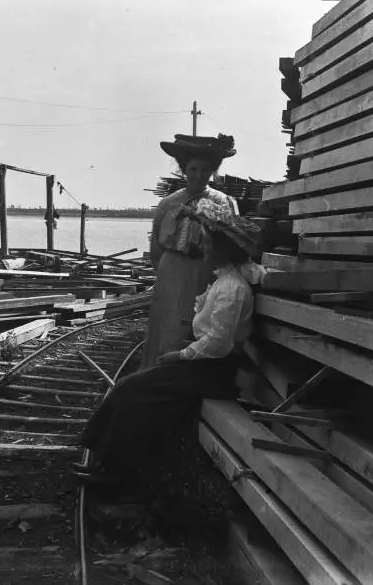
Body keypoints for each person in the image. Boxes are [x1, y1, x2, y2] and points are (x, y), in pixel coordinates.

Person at [72, 203, 264, 489]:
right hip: (208, 367)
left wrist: (180, 355)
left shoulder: (232, 288)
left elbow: (218, 343)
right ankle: (104, 460)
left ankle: (116, 474)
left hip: (216, 372)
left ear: (226, 250)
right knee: (130, 387)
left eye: (210, 244)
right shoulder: (225, 281)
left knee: (133, 391)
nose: (205, 249)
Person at [142, 134, 239, 368]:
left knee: (200, 325)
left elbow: (236, 242)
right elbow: (156, 247)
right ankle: (158, 373)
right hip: (171, 273)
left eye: (205, 169)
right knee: (169, 324)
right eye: (193, 169)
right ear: (184, 170)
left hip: (206, 273)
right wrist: (166, 274)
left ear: (212, 171)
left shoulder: (225, 202)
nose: (198, 175)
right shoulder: (168, 204)